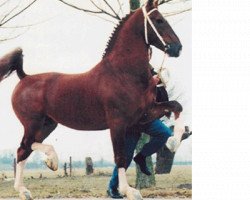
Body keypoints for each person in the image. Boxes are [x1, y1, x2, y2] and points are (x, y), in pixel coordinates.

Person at [107, 66, 179, 199]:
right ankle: (112, 187)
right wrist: (151, 82)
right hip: (132, 121)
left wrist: (161, 83)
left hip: (148, 118)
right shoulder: (129, 72)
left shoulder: (154, 72)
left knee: (166, 134)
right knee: (125, 158)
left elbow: (161, 97)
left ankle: (141, 156)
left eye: (149, 53)